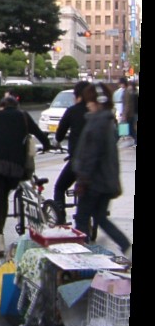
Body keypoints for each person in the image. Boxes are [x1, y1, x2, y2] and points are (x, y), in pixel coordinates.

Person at [0, 90, 55, 255]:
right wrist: (48, 146)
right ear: (16, 106)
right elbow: (41, 135)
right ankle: (6, 231)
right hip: (15, 168)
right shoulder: (24, 117)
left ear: (2, 106)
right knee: (5, 198)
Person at [67, 85, 120, 239]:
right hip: (106, 181)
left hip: (94, 182)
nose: (87, 105)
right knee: (101, 219)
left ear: (98, 101)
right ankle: (126, 247)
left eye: (90, 101)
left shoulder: (97, 123)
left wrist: (82, 179)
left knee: (82, 219)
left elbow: (91, 155)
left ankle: (85, 257)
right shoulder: (108, 121)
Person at [48, 81, 94, 215]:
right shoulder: (96, 111)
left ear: (77, 95)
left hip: (77, 160)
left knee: (59, 187)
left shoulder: (72, 111)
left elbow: (60, 134)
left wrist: (56, 141)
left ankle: (60, 217)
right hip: (95, 160)